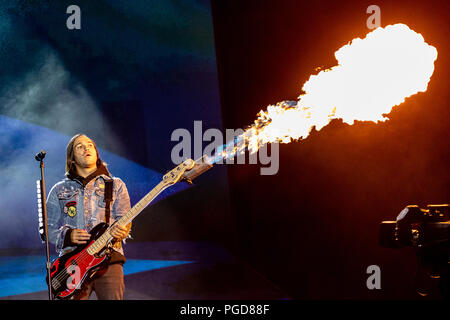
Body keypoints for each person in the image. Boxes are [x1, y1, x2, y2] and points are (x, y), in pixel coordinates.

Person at [47, 133, 132, 300]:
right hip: (72, 264)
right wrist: (67, 236)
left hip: (108, 261)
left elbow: (126, 220)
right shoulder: (58, 189)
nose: (86, 147)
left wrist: (122, 231)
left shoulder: (116, 185)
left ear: (96, 153)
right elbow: (46, 229)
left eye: (90, 145)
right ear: (71, 158)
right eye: (80, 146)